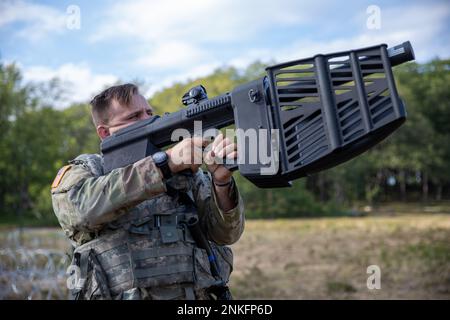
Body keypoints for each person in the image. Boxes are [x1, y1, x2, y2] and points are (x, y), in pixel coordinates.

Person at [51, 83, 245, 300]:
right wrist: (163, 166)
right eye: (134, 116)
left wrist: (221, 182)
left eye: (150, 113)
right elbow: (82, 211)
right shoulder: (88, 171)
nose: (149, 120)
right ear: (105, 133)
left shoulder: (186, 172)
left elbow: (226, 234)